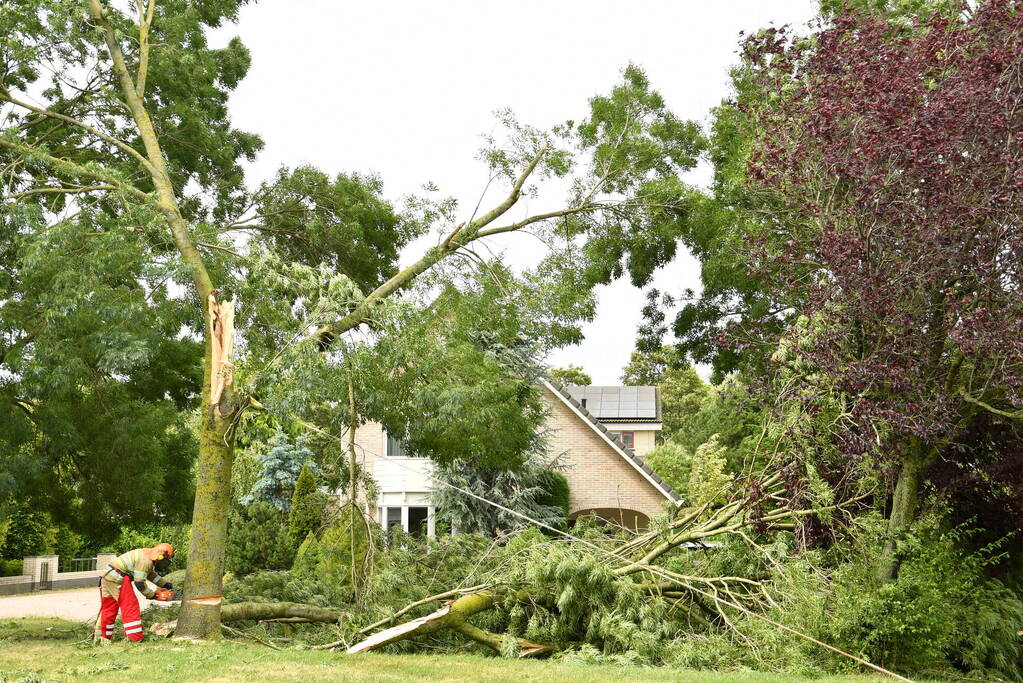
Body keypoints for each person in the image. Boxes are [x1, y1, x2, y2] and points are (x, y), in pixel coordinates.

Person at [94, 542, 175, 643]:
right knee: (130, 606)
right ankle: (135, 638)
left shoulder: (146, 554)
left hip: (107, 576)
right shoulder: (145, 561)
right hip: (118, 578)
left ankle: (101, 639)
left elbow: (150, 575)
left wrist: (165, 584)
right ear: (160, 556)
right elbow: (139, 583)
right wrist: (153, 595)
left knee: (108, 608)